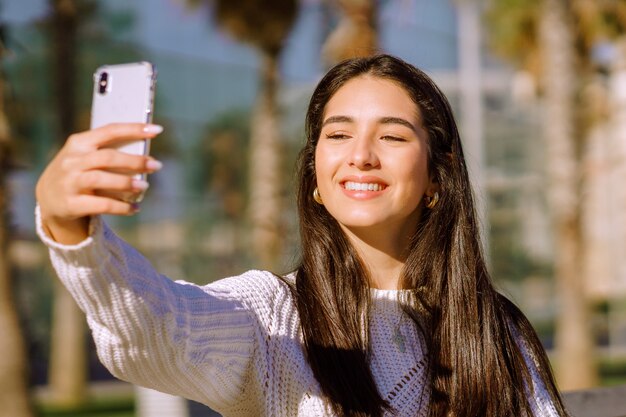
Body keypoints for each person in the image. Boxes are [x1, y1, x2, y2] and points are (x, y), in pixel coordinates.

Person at [35, 54, 569, 417]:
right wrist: (73, 232)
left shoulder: (494, 328)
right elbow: (157, 329)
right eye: (337, 134)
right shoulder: (271, 315)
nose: (360, 154)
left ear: (436, 177)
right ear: (315, 175)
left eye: (391, 135)